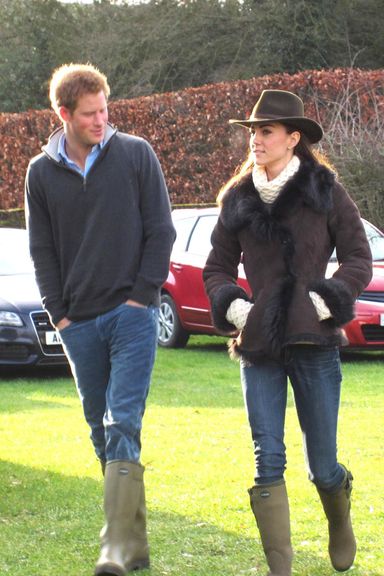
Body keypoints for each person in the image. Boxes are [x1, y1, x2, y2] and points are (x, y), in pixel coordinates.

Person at [203, 89, 372, 575]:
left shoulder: (325, 189)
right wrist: (237, 311)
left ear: (292, 138)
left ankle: (339, 519)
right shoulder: (237, 198)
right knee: (267, 459)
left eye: (266, 132)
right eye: (253, 132)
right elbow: (216, 269)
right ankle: (281, 568)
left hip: (314, 342)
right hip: (258, 345)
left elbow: (359, 257)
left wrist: (324, 301)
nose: (255, 140)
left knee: (323, 464)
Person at [25, 63, 175, 576]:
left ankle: (114, 544)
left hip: (132, 315)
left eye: (105, 110)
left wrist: (142, 297)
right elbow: (41, 250)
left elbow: (161, 230)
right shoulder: (39, 173)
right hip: (78, 323)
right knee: (98, 429)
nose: (100, 120)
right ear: (63, 114)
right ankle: (133, 544)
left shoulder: (135, 154)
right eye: (89, 114)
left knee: (122, 420)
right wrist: (59, 315)